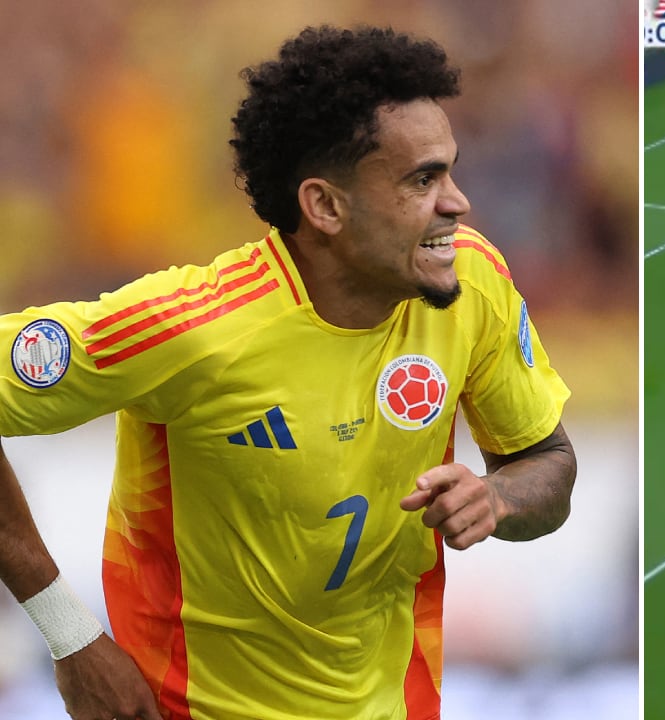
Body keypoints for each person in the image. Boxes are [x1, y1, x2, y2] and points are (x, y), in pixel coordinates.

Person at [0, 25, 576, 720]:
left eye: (450, 171)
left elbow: (547, 460)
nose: (457, 202)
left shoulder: (471, 281)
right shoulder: (193, 329)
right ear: (325, 206)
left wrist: (497, 497)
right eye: (422, 180)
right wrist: (70, 636)